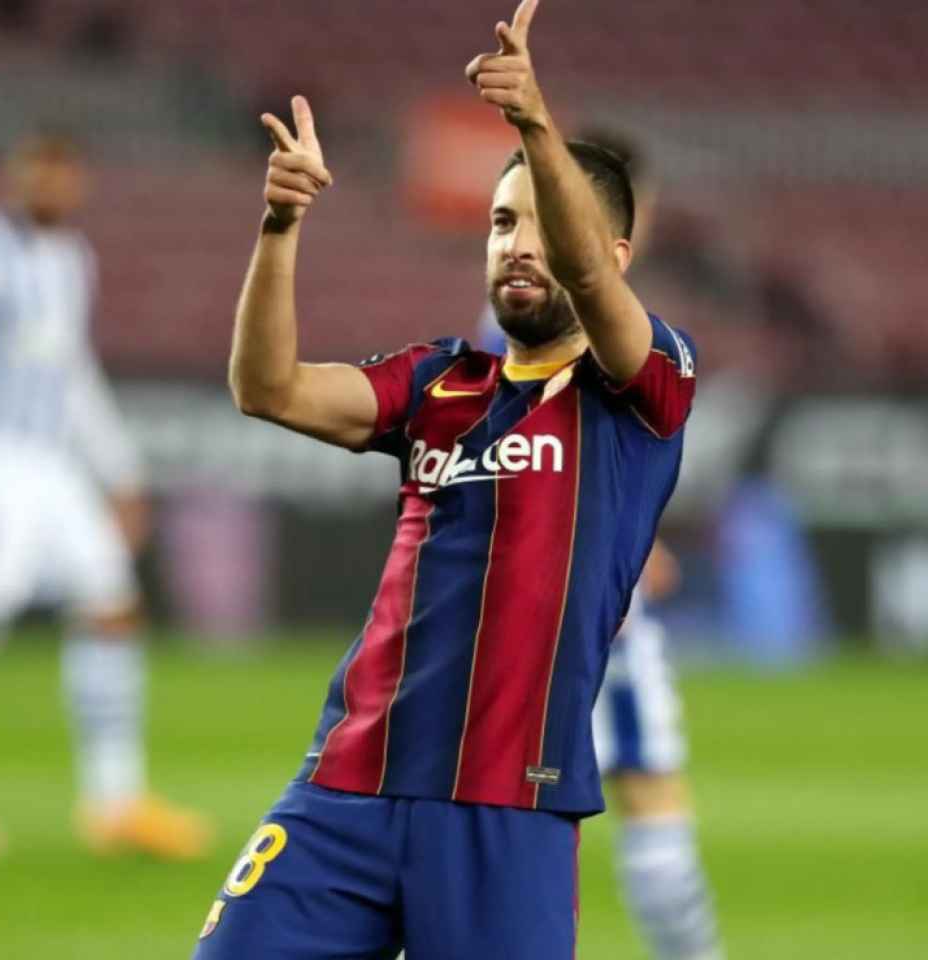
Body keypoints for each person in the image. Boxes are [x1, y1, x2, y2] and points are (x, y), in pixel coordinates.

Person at [196, 2, 698, 956]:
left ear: (613, 258)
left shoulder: (642, 391)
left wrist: (536, 126)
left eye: (546, 226)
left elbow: (596, 289)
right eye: (503, 222)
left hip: (508, 806)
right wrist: (278, 226)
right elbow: (266, 388)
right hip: (346, 788)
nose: (518, 243)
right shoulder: (438, 381)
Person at [0, 130, 210, 862]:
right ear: (16, 176)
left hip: (54, 464)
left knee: (112, 606)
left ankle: (115, 800)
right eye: (42, 172)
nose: (54, 186)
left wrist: (118, 469)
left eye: (66, 175)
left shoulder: (73, 261)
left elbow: (73, 374)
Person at [477, 132, 725, 960]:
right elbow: (500, 457)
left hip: (562, 605)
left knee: (578, 800)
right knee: (631, 793)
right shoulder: (539, 318)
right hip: (560, 616)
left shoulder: (571, 315)